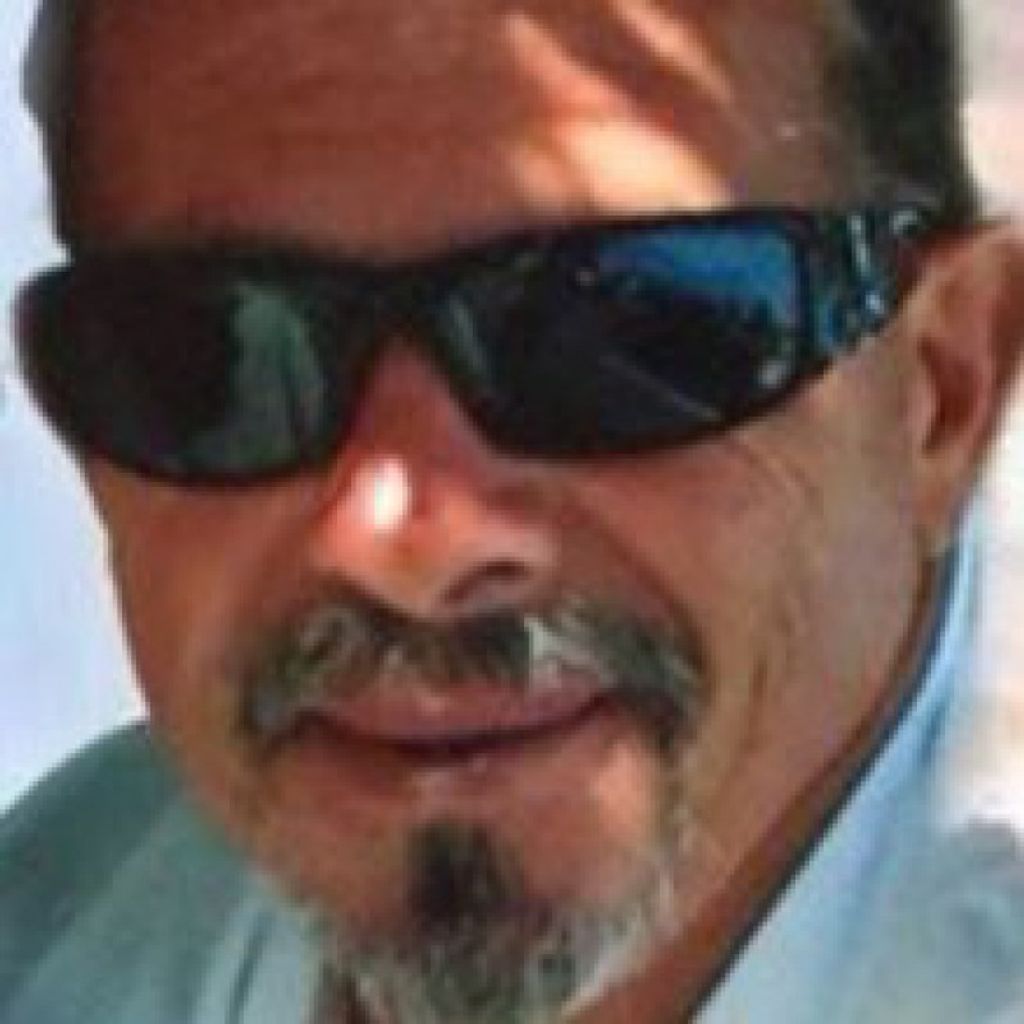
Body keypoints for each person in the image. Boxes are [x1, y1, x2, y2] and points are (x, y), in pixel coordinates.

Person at [2, 0, 1024, 1021]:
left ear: (944, 390)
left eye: (628, 325)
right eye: (213, 351)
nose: (399, 541)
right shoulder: (59, 937)